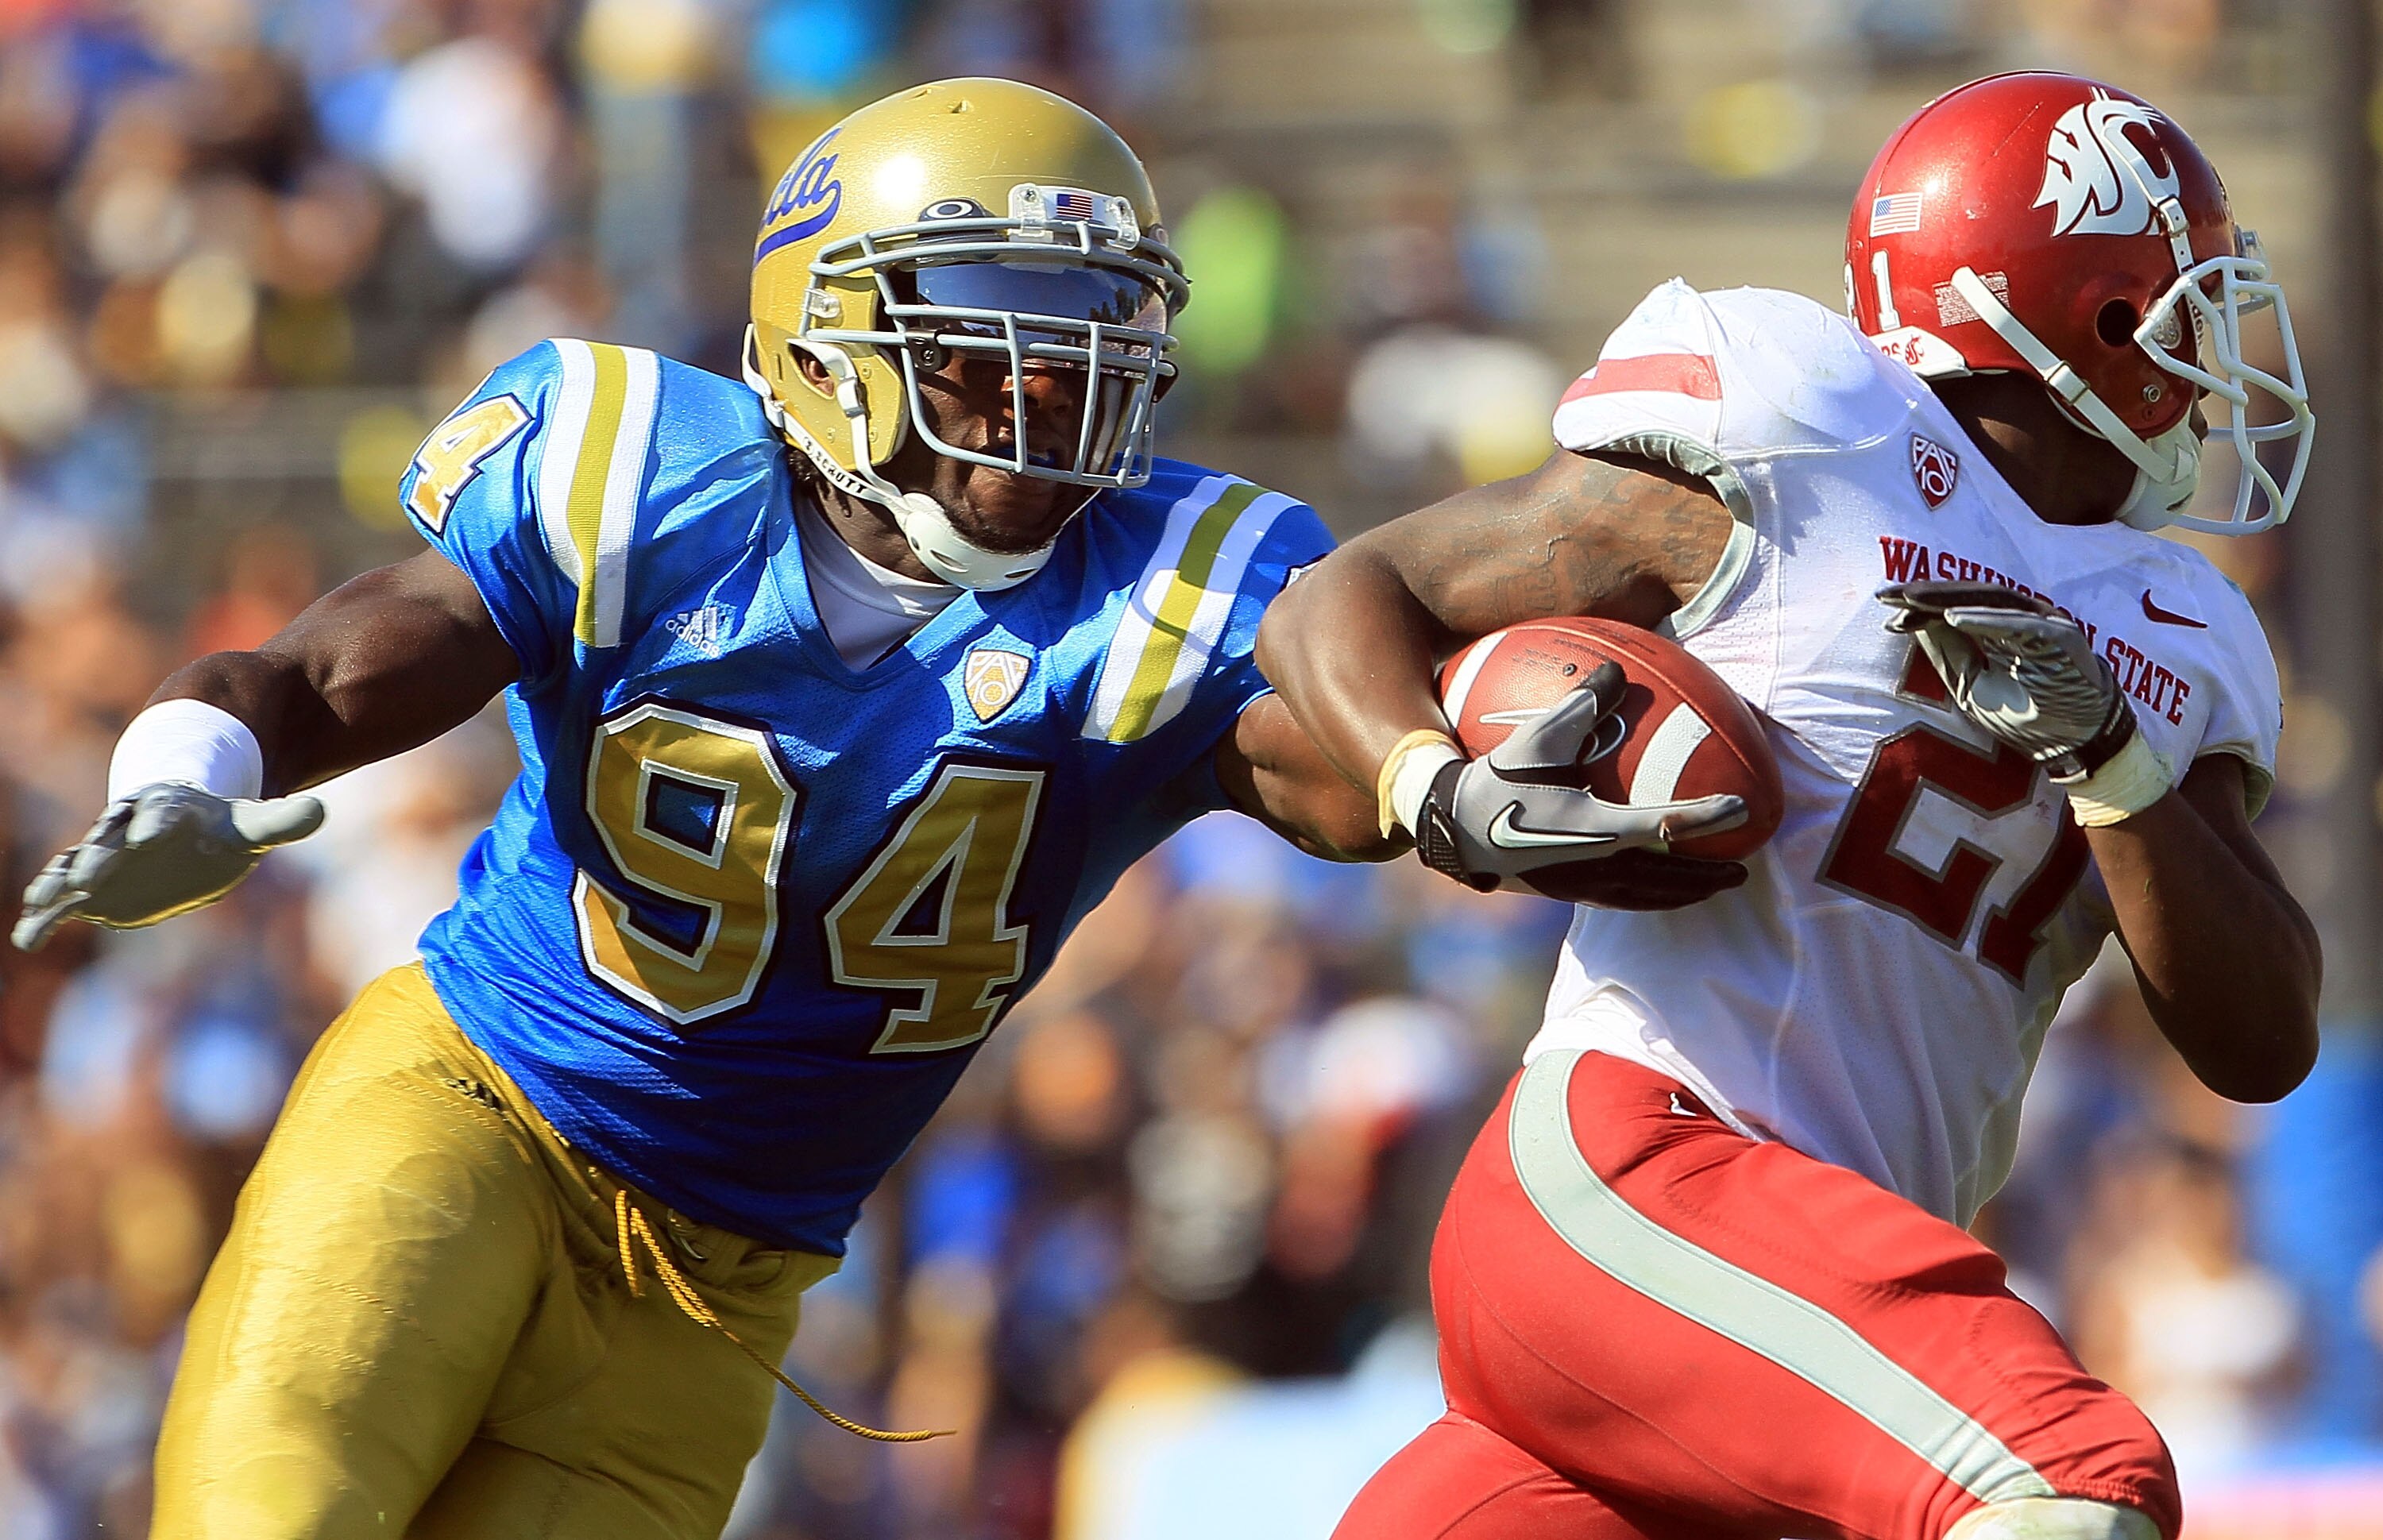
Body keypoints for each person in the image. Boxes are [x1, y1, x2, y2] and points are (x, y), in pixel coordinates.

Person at [11, 78, 1389, 1540]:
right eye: (991, 347)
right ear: (826, 348)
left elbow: (1343, 785)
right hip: (471, 1117)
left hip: (718, 1296)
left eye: (1082, 347)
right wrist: (186, 772)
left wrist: (1467, 776)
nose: (1046, 395)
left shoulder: (1171, 587)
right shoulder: (645, 478)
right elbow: (327, 665)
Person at [1257, 71, 2319, 1540]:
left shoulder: (2180, 629)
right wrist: (1427, 782)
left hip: (1795, 1302)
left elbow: (2264, 1038)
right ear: (2102, 317)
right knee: (2067, 1484)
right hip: (1644, 1173)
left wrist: (2117, 767)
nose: (2212, 364)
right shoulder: (1811, 434)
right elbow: (1347, 598)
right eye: (2188, 308)